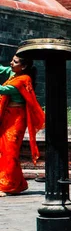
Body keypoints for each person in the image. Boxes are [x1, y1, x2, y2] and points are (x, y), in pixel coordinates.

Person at [0, 54, 45, 196]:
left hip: (17, 119)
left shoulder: (24, 80)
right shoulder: (14, 73)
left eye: (15, 61)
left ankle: (7, 185)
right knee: (4, 150)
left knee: (11, 152)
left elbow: (3, 90)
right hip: (7, 117)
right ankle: (17, 184)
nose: (11, 63)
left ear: (24, 66)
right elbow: (2, 69)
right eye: (12, 60)